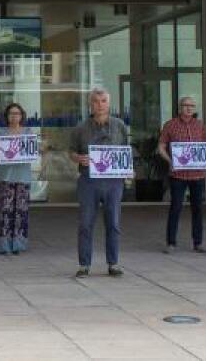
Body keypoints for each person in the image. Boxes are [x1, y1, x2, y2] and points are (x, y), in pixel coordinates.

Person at [69, 87, 129, 278]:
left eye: (103, 101)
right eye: (95, 101)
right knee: (86, 223)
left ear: (109, 103)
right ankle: (84, 264)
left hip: (113, 182)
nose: (100, 105)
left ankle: (113, 263)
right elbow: (71, 151)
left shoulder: (120, 126)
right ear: (90, 104)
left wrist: (128, 169)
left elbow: (125, 151)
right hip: (89, 181)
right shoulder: (80, 128)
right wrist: (78, 158)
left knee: (113, 223)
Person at [158, 96, 206, 253]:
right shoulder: (170, 125)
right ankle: (171, 243)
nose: (188, 108)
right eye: (186, 105)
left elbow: (205, 146)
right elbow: (161, 147)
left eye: (191, 106)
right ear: (180, 107)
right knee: (176, 207)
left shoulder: (200, 126)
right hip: (178, 174)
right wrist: (170, 161)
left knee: (198, 209)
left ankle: (198, 243)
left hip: (197, 175)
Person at [0, 102, 32, 255]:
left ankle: (18, 244)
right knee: (5, 211)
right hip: (6, 176)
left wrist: (41, 147)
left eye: (17, 113)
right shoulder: (1, 132)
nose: (14, 116)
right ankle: (4, 244)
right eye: (11, 114)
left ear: (21, 116)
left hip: (23, 176)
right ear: (7, 116)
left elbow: (34, 150)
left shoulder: (28, 132)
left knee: (21, 212)